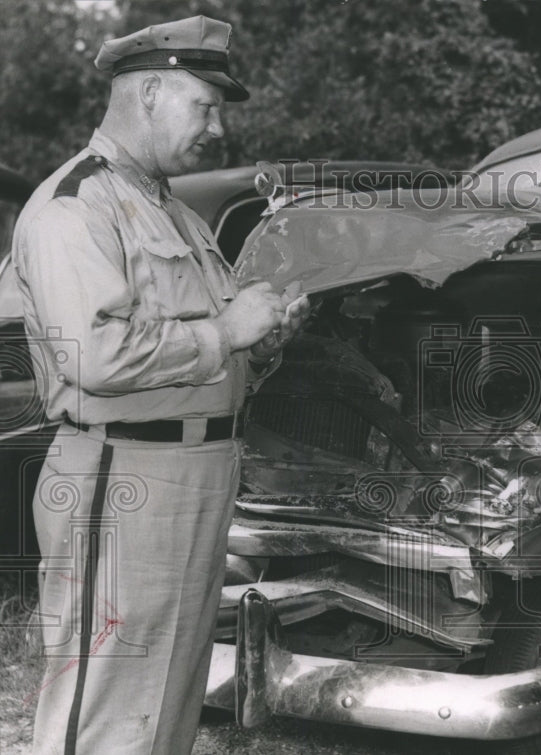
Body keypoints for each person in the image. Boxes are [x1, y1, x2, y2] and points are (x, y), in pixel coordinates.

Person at [12, 16, 309, 754]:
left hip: (193, 476)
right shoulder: (75, 204)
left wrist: (261, 346)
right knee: (106, 708)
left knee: (165, 711)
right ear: (148, 91)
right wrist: (226, 332)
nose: (217, 128)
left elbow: (208, 350)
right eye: (203, 106)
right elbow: (93, 354)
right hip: (123, 477)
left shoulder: (169, 209)